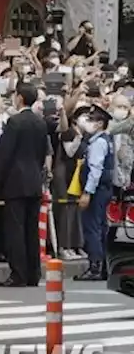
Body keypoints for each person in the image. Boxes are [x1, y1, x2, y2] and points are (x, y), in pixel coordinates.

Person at [0, 82, 50, 287]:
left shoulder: (15, 122)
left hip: (15, 182)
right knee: (31, 230)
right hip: (34, 181)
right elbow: (42, 154)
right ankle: (34, 273)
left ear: (20, 98)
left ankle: (18, 274)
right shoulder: (40, 123)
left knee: (15, 229)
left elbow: (5, 153)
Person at [75, 106, 114, 281]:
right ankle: (103, 267)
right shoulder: (106, 140)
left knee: (92, 228)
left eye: (91, 120)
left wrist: (87, 192)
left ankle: (95, 267)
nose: (87, 123)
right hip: (104, 190)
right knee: (100, 228)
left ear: (99, 124)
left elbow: (95, 170)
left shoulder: (99, 143)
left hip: (97, 190)